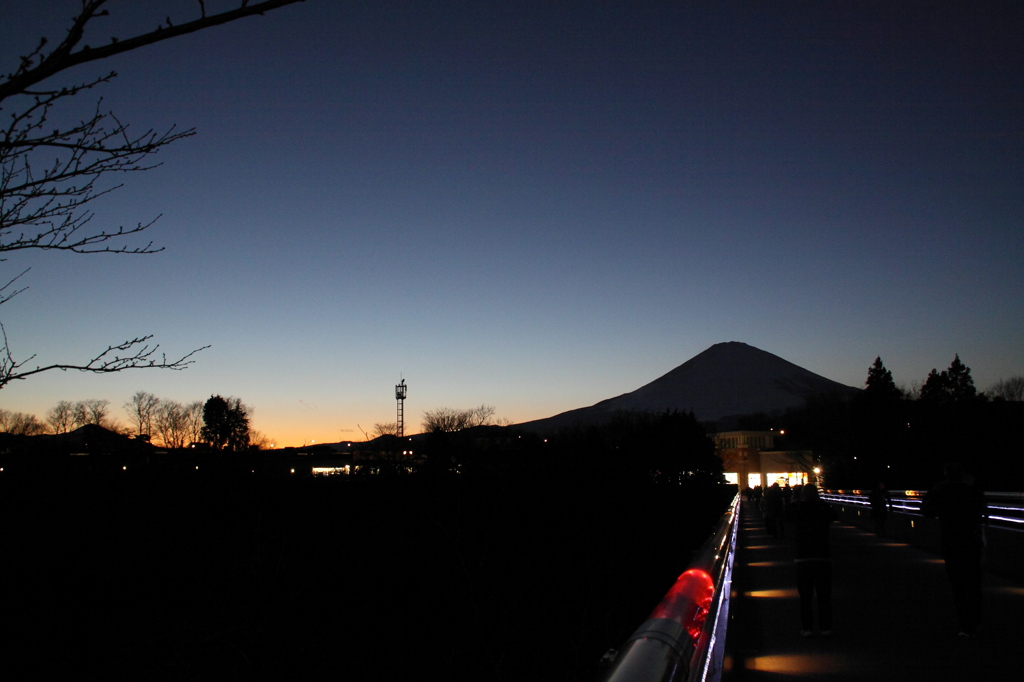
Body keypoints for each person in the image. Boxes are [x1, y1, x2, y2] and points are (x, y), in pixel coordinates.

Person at [922, 462, 987, 638]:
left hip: (951, 541)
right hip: (971, 541)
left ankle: (965, 625)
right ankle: (976, 622)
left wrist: (933, 491)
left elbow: (926, 510)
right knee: (974, 582)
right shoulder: (972, 491)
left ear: (946, 475)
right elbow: (983, 510)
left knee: (958, 584)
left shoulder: (941, 491)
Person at [786, 484, 839, 637]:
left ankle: (807, 627)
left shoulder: (797, 508)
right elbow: (834, 515)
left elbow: (786, 517)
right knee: (824, 594)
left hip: (803, 556)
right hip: (823, 555)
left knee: (805, 596)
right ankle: (825, 626)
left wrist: (795, 502)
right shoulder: (822, 507)